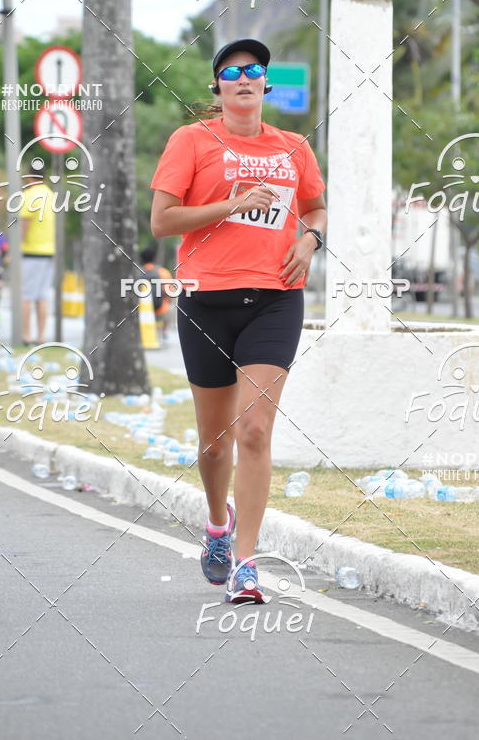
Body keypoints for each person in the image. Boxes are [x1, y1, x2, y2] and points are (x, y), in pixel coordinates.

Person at [150, 38, 327, 604]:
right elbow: (162, 221)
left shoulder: (293, 146)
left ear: (265, 83)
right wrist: (231, 204)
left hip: (276, 298)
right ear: (218, 87)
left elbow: (316, 205)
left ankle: (247, 563)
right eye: (232, 72)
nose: (244, 77)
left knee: (254, 431)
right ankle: (217, 525)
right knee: (214, 444)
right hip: (206, 300)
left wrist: (310, 239)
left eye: (254, 70)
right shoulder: (191, 141)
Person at [20, 159, 56, 345]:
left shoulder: (29, 195)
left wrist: (17, 245)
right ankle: (41, 337)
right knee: (42, 296)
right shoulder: (50, 194)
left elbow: (25, 224)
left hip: (31, 252)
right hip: (49, 252)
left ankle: (26, 335)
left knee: (26, 296)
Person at [139, 246, 173, 340]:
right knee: (169, 307)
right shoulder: (163, 272)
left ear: (141, 259)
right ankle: (164, 332)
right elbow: (169, 292)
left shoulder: (136, 272)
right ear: (154, 258)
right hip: (160, 309)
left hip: (140, 310)